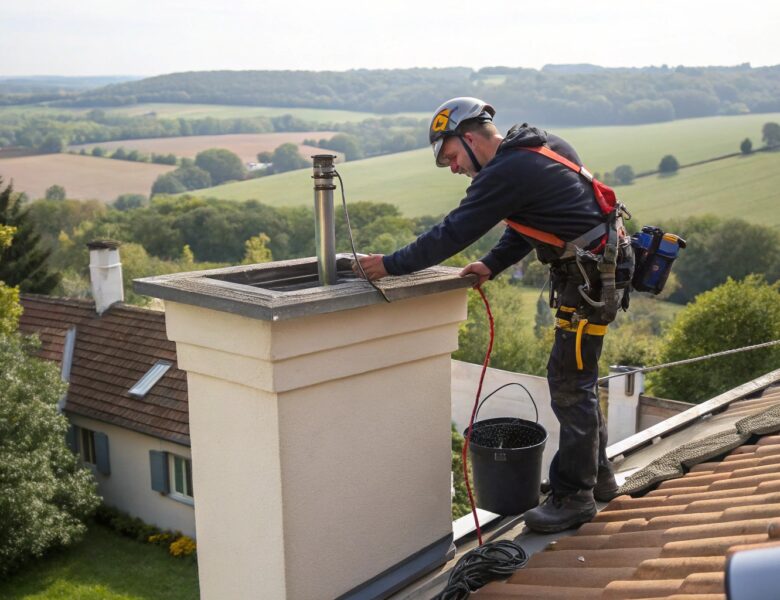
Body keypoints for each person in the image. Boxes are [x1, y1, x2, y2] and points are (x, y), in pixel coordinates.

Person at [355, 97, 633, 533]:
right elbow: (530, 222)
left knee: (568, 384)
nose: (452, 168)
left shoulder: (506, 171)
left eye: (450, 157)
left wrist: (390, 264)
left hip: (589, 283)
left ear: (468, 138)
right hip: (595, 276)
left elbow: (454, 231)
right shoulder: (539, 147)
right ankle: (598, 480)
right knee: (576, 378)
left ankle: (574, 497)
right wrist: (492, 264)